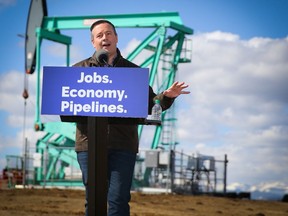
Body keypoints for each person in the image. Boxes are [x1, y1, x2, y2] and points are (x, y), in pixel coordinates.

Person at [73, 20, 190, 216]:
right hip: (89, 145)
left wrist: (166, 97)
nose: (105, 38)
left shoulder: (133, 72)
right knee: (92, 200)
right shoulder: (79, 70)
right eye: (99, 35)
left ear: (116, 38)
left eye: (109, 34)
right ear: (93, 42)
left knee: (118, 200)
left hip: (122, 146)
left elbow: (148, 104)